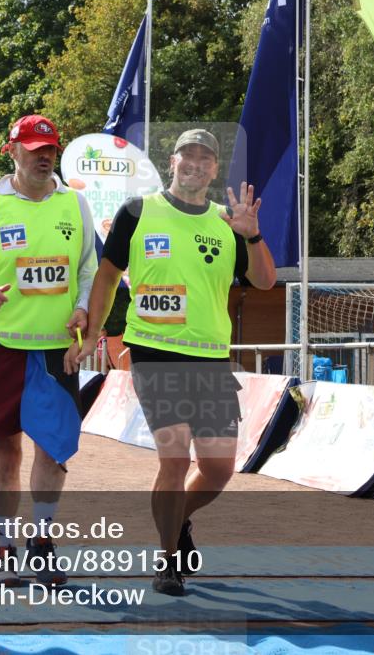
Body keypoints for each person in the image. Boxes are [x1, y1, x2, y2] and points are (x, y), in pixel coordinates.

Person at [69, 129, 277, 596]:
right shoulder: (137, 212)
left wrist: (254, 235)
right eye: (188, 155)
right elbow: (107, 276)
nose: (196, 164)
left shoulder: (228, 221)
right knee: (176, 456)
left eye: (206, 158)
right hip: (154, 353)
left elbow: (265, 281)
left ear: (214, 169)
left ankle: (177, 518)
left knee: (219, 469)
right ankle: (167, 562)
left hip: (211, 358)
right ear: (172, 161)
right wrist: (94, 332)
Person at [0, 114, 97, 587]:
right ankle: (4, 546)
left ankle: (42, 544)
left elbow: (89, 269)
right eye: (34, 150)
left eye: (50, 149)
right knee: (6, 454)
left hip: (56, 352)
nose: (44, 157)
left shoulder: (75, 203)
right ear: (13, 152)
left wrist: (82, 307)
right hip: (2, 348)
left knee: (53, 452)